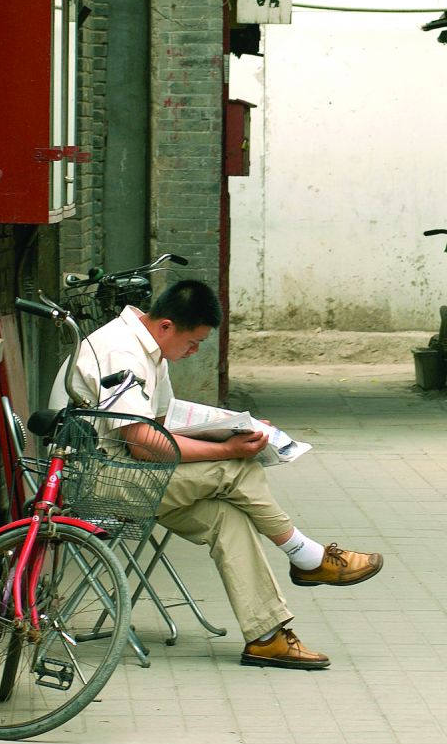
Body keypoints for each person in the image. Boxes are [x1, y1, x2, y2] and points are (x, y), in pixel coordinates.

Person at [50, 278, 383, 670]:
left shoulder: (149, 346)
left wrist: (230, 428)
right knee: (235, 469)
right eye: (193, 343)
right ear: (167, 326)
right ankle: (307, 557)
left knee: (229, 517)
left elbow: (157, 423)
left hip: (130, 472)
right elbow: (142, 441)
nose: (193, 353)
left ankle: (267, 637)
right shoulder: (124, 352)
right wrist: (225, 448)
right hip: (100, 479)